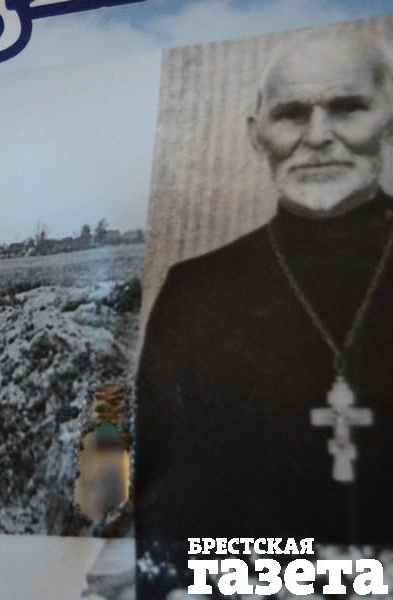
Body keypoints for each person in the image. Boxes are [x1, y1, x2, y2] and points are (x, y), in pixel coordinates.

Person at [134, 30, 393, 595]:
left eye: (347, 108)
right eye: (292, 114)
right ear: (257, 134)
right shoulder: (196, 292)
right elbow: (162, 506)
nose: (317, 136)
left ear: (389, 119)